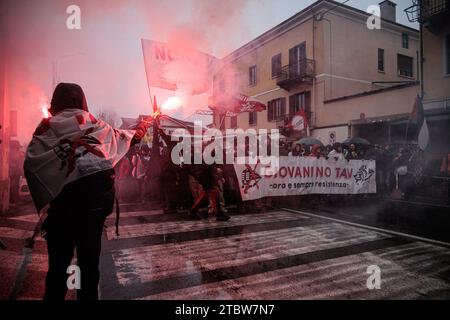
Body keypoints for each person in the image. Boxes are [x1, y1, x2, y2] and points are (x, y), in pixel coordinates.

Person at [24, 83, 149, 300]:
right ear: (82, 101)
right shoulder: (96, 124)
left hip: (62, 211)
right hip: (94, 209)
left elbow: (32, 163)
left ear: (57, 103)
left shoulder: (46, 127)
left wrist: (53, 183)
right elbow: (124, 138)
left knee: (59, 268)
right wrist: (138, 133)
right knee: (88, 266)